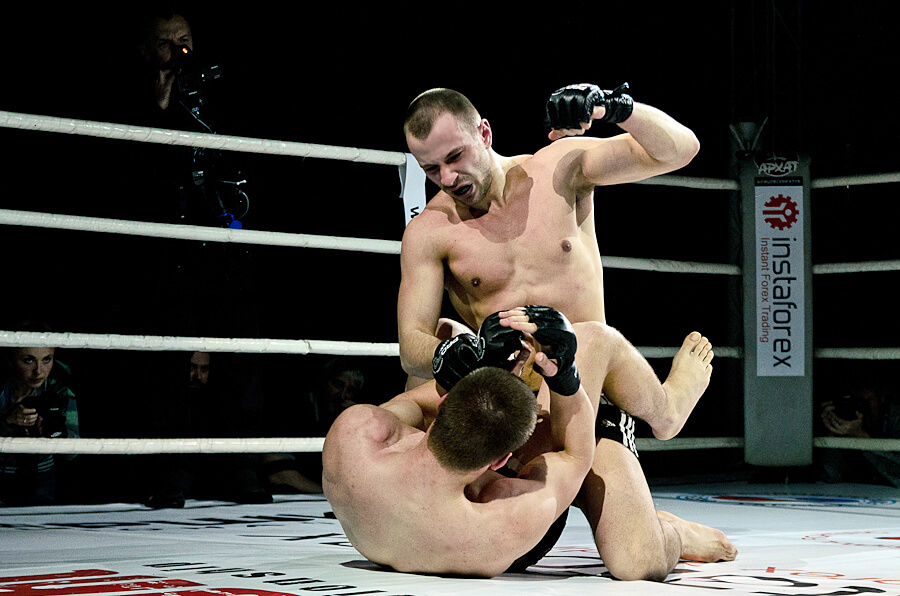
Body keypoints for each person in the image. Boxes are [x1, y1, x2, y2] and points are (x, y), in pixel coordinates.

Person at [398, 86, 734, 580]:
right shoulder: (430, 232)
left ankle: (672, 522)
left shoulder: (558, 169)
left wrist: (615, 108)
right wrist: (450, 351)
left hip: (587, 395)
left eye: (455, 157)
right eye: (431, 169)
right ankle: (647, 481)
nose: (448, 179)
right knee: (493, 556)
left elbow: (680, 150)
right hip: (512, 414)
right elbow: (411, 347)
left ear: (484, 133)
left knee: (637, 563)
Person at [324, 307, 733, 577]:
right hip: (501, 540)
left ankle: (667, 410)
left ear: (444, 401)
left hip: (439, 514)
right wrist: (566, 378)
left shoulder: (354, 436)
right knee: (638, 561)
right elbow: (575, 454)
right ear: (503, 460)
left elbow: (417, 402)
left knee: (449, 336)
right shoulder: (507, 514)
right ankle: (674, 533)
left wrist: (469, 367)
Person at [0, 342, 79, 505]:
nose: (38, 371)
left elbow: (73, 452)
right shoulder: (2, 389)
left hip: (42, 481)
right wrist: (7, 421)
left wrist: (55, 432)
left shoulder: (60, 390)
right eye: (28, 360)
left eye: (46, 359)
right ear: (10, 360)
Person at [819, 372, 900, 488]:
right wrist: (831, 431)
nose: (860, 406)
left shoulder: (895, 417)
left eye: (865, 400)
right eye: (854, 400)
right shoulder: (846, 417)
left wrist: (863, 440)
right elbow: (831, 478)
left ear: (882, 397)